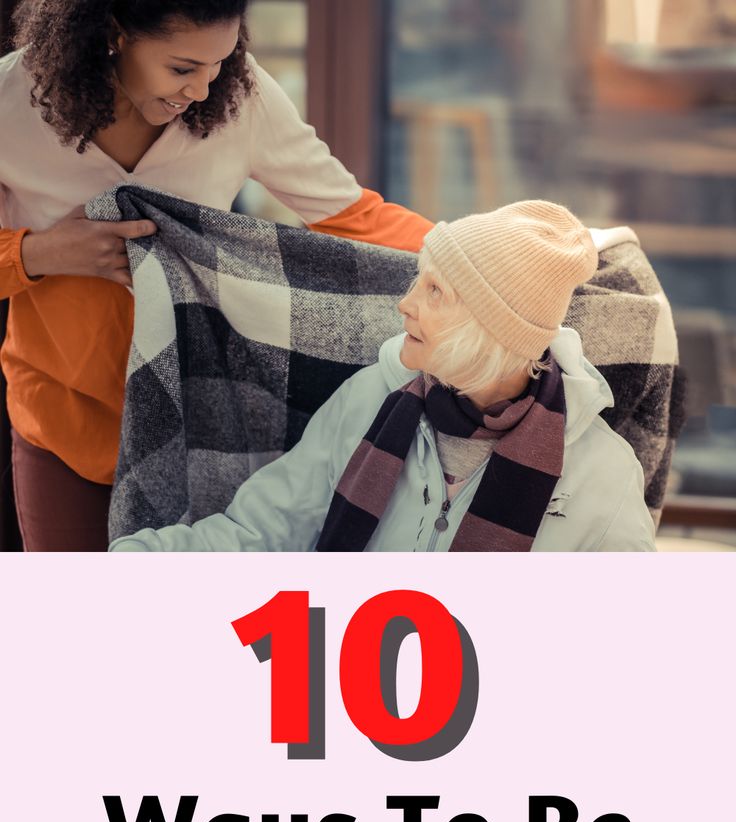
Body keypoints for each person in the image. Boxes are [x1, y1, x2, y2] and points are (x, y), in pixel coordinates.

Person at [0, 0, 432, 552]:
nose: (203, 91)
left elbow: (356, 217)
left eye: (219, 64)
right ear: (113, 34)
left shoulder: (240, 94)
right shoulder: (13, 103)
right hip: (65, 421)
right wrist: (38, 253)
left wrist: (476, 256)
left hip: (206, 424)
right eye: (182, 69)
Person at [109, 201, 657, 553]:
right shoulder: (371, 398)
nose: (405, 304)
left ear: (494, 329)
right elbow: (260, 537)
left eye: (435, 291)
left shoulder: (600, 475)